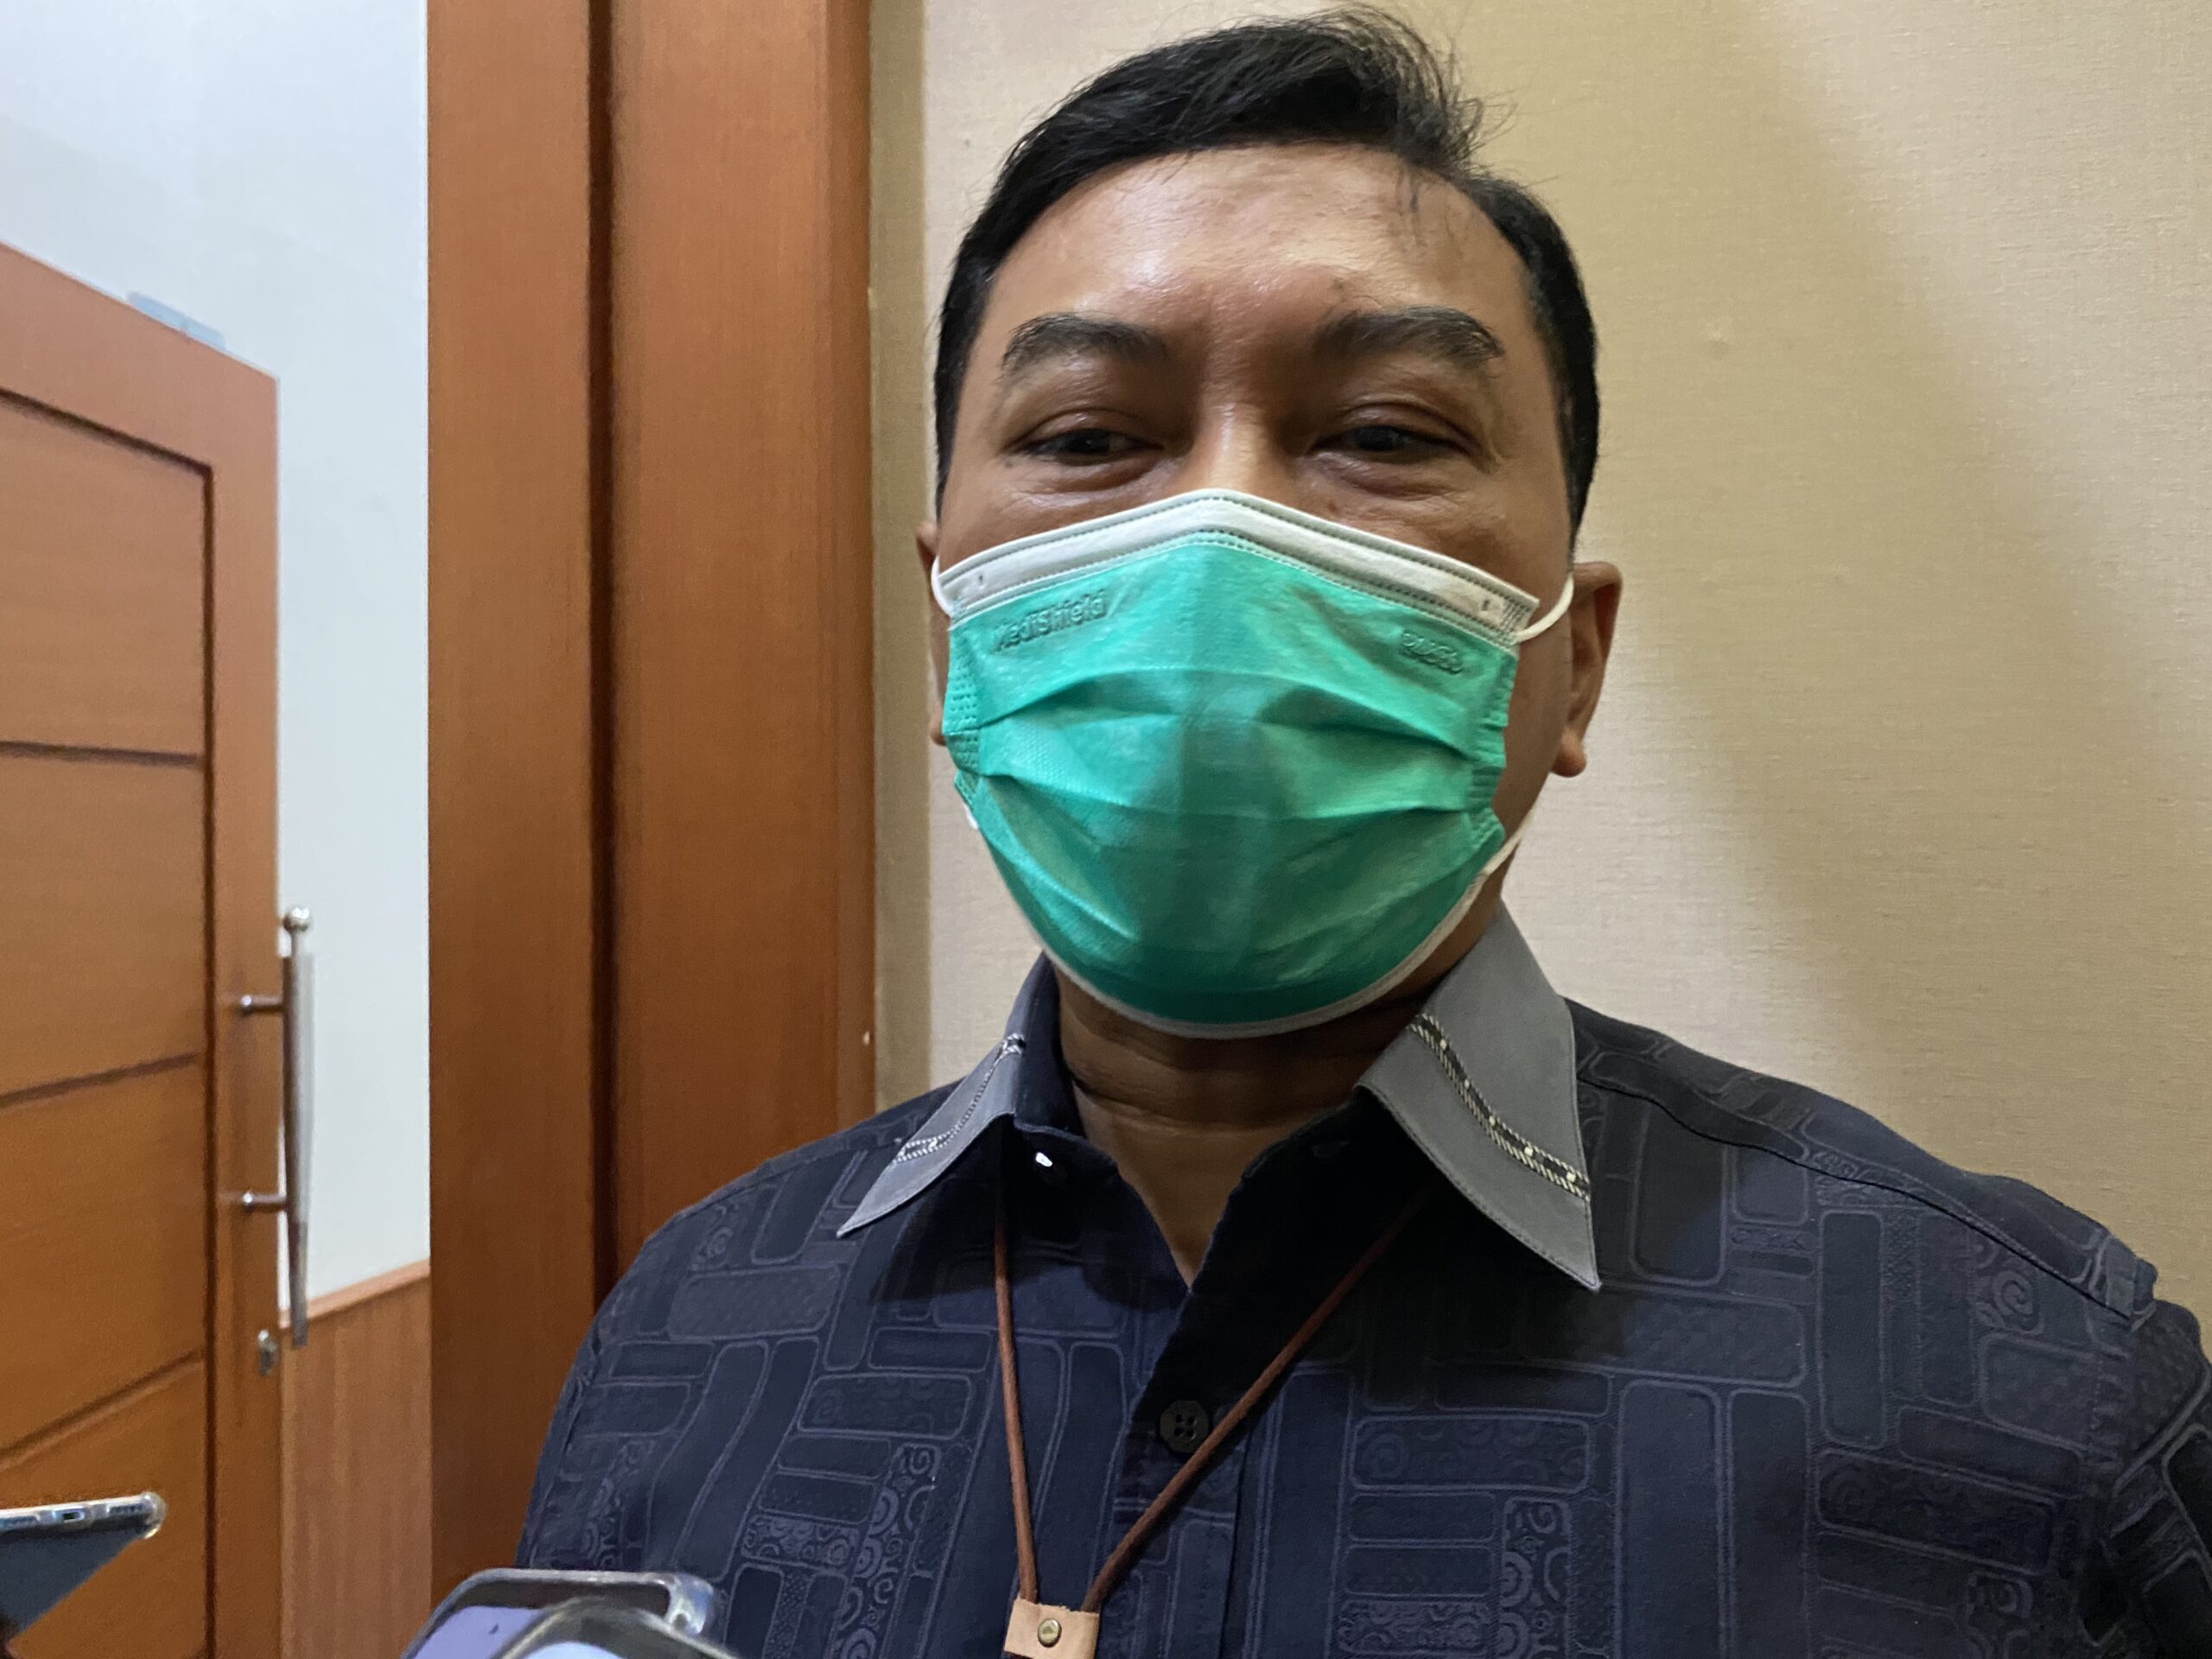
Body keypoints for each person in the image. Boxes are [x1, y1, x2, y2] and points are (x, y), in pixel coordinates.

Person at [519, 13, 2212, 1655]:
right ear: (951, 628)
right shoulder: (685, 1326)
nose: (1221, 534)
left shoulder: (2040, 1403)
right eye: (1089, 438)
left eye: (1385, 434)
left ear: (1570, 662)